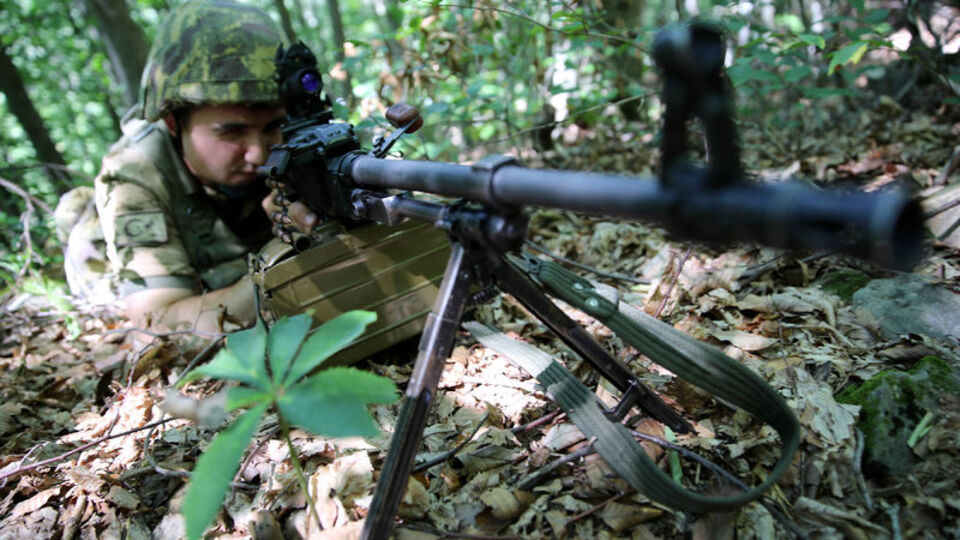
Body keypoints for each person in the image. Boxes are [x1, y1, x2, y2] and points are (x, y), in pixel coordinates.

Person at [57, 0, 316, 333]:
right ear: (173, 123)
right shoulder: (135, 175)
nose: (257, 154)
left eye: (272, 126)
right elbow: (158, 323)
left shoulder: (303, 138)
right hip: (119, 256)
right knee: (93, 267)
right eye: (232, 131)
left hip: (228, 250)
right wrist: (281, 267)